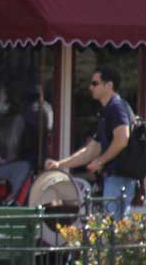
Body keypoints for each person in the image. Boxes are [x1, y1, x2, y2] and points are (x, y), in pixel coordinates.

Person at [45, 66, 135, 219]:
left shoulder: (117, 107)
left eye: (95, 83)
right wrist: (60, 164)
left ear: (109, 85)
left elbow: (122, 139)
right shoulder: (107, 111)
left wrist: (100, 161)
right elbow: (91, 150)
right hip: (114, 178)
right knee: (112, 228)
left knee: (113, 229)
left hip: (120, 177)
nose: (90, 87)